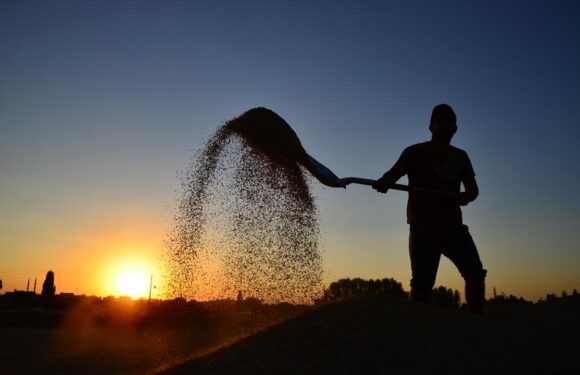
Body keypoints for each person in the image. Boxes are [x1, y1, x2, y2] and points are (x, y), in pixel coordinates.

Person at [372, 104, 486, 314]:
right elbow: (394, 173)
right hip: (423, 225)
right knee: (422, 283)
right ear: (431, 126)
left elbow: (473, 190)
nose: (445, 124)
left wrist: (466, 197)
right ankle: (418, 329)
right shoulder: (414, 152)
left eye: (449, 121)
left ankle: (476, 321)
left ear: (455, 128)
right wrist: (384, 182)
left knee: (475, 273)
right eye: (440, 120)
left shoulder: (461, 156)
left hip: (453, 225)